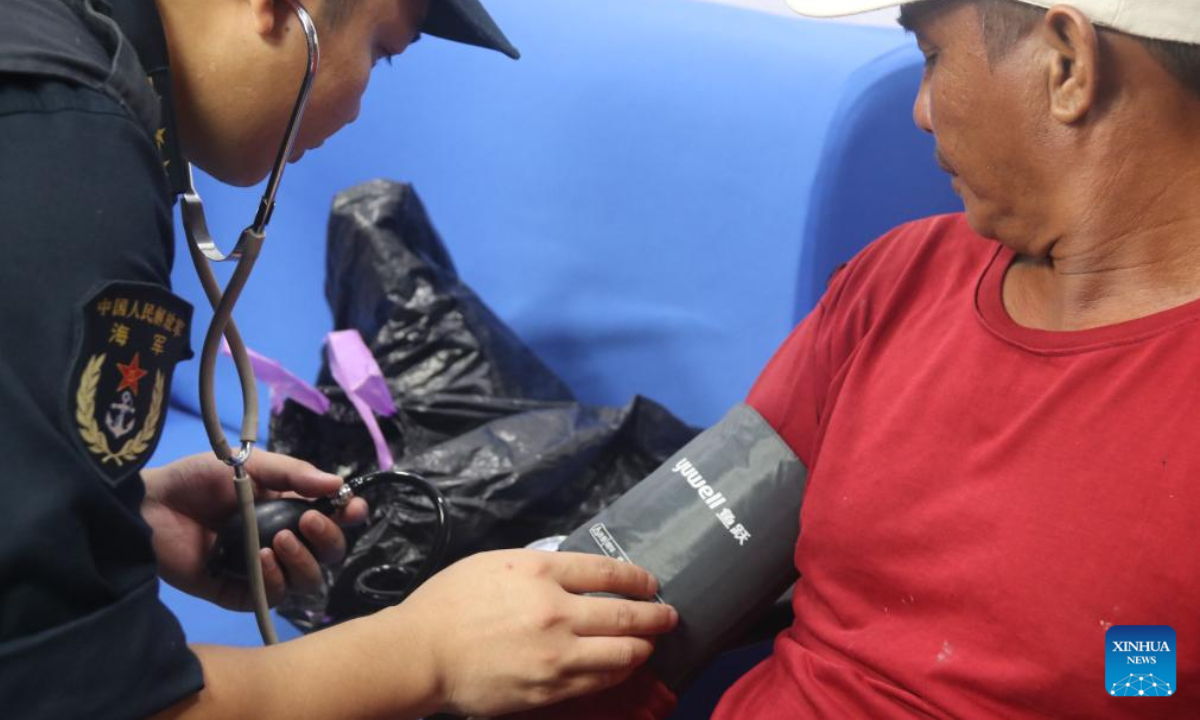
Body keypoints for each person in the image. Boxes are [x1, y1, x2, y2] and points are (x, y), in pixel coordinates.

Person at [507, 0, 1200, 717]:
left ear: (1066, 64)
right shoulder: (901, 283)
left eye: (932, 56)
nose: (921, 113)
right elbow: (638, 589)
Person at [0, 1, 677, 718]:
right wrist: (431, 650)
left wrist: (111, 510)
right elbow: (91, 699)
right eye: (381, 52)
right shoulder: (70, 158)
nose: (356, 105)